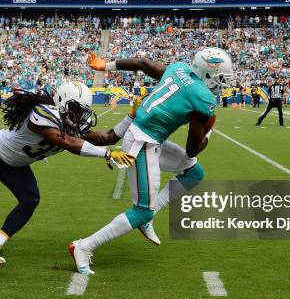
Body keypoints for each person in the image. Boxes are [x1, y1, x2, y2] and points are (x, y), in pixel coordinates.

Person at [0, 82, 136, 269]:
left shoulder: (71, 120)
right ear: (62, 103)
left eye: (82, 110)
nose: (79, 115)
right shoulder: (42, 113)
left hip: (17, 165)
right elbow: (65, 142)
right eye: (76, 108)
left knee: (30, 199)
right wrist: (106, 155)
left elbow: (106, 137)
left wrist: (131, 117)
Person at [69, 48, 233, 275]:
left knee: (194, 173)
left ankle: (149, 216)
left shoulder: (179, 68)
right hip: (143, 142)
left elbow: (143, 63)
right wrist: (209, 132)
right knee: (142, 210)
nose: (222, 83)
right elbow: (192, 148)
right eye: (221, 78)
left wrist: (107, 65)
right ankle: (84, 246)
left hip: (148, 137)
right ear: (208, 73)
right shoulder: (203, 98)